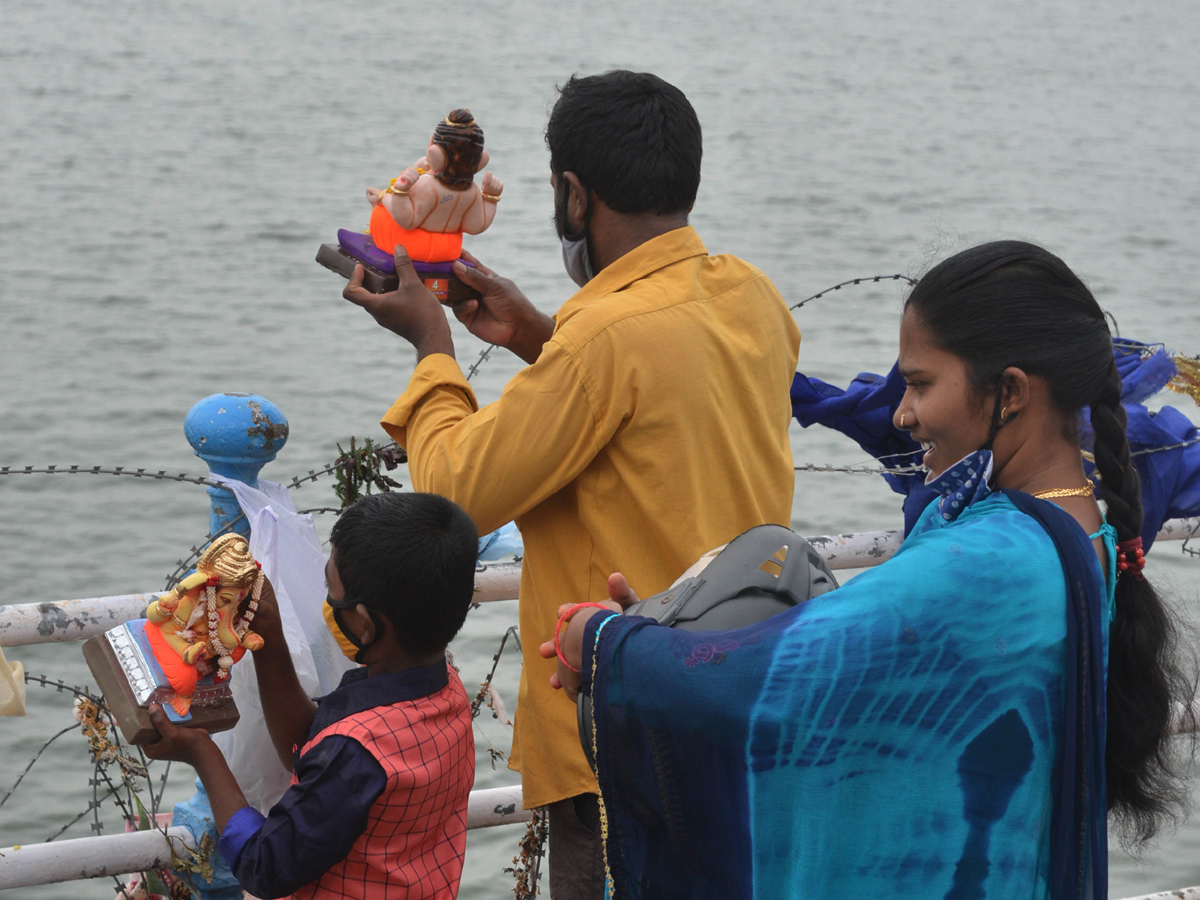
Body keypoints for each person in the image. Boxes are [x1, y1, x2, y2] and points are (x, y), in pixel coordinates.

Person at [548, 241, 1197, 899]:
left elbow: (762, 681)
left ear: (1011, 392)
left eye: (919, 384)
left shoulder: (994, 559)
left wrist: (606, 646)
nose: (901, 413)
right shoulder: (1082, 527)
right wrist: (661, 634)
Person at [342, 70, 801, 899]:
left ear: (574, 193)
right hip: (741, 694)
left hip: (617, 722)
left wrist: (432, 345)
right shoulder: (751, 295)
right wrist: (539, 338)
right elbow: (661, 411)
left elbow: (455, 494)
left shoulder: (602, 338)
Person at [143, 492, 478, 900]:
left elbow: (264, 865)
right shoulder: (447, 692)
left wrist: (202, 752)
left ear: (364, 624)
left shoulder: (356, 753)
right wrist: (267, 632)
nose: (326, 601)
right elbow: (304, 747)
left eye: (331, 593)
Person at [365, 108, 503, 263]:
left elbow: (408, 220)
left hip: (411, 249)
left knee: (380, 211)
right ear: (479, 160)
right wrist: (491, 199)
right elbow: (475, 226)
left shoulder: (428, 186)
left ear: (436, 152)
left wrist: (387, 195)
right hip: (449, 250)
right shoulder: (472, 191)